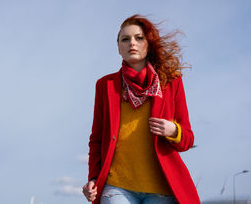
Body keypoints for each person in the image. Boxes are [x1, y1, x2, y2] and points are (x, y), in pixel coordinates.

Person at [82, 15, 200, 204]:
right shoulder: (105, 85)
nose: (132, 43)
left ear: (149, 43)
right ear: (119, 48)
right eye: (125, 39)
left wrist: (173, 130)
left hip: (161, 190)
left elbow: (187, 139)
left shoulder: (171, 82)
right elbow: (96, 139)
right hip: (117, 187)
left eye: (139, 38)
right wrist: (94, 178)